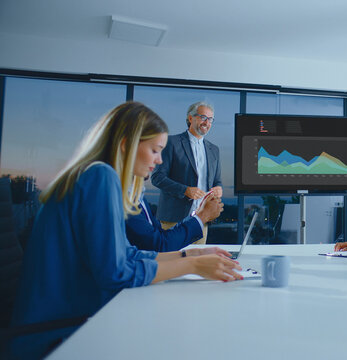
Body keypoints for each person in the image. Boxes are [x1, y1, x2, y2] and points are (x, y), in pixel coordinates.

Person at [11, 102, 242, 359]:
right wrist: (193, 267)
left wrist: (191, 256)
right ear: (126, 144)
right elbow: (116, 273)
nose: (159, 160)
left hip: (63, 323)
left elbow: (127, 254)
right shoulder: (101, 177)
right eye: (155, 150)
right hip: (56, 336)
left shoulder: (91, 174)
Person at [151, 101, 223, 245]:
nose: (206, 122)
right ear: (190, 118)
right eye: (203, 117)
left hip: (202, 220)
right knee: (173, 263)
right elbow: (157, 177)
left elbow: (217, 181)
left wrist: (219, 188)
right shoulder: (172, 143)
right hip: (173, 219)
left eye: (210, 119)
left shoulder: (214, 150)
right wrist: (185, 190)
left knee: (197, 264)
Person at [125, 183, 223, 252]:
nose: (159, 161)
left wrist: (198, 214)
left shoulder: (137, 195)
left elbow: (160, 235)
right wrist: (202, 216)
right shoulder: (123, 198)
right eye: (153, 152)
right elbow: (158, 246)